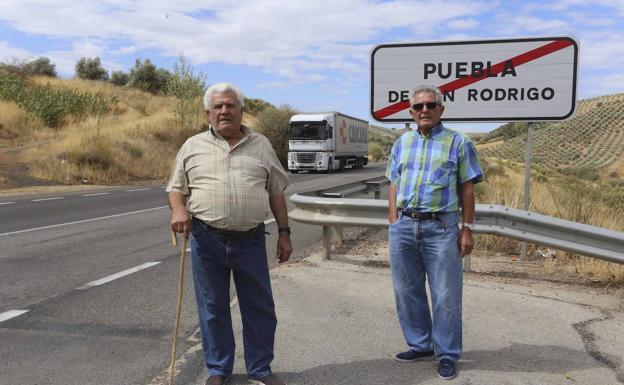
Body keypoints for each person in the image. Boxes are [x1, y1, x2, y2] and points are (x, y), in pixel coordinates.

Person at [167, 82, 293, 385]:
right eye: (218, 107)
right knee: (213, 308)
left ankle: (260, 369)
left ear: (240, 110)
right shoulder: (192, 145)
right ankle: (218, 369)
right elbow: (175, 187)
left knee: (260, 307)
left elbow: (276, 191)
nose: (224, 111)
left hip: (250, 239)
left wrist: (285, 233)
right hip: (206, 239)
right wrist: (178, 210)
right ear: (209, 113)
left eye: (230, 105)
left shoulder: (261, 144)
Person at [385, 84, 484, 380]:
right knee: (406, 290)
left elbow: (467, 187)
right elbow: (393, 182)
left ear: (441, 109)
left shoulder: (459, 143)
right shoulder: (401, 143)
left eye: (430, 105)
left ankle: (447, 353)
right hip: (403, 226)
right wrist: (393, 219)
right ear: (411, 112)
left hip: (441, 228)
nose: (424, 110)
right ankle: (420, 344)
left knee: (445, 295)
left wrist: (467, 228)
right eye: (418, 107)